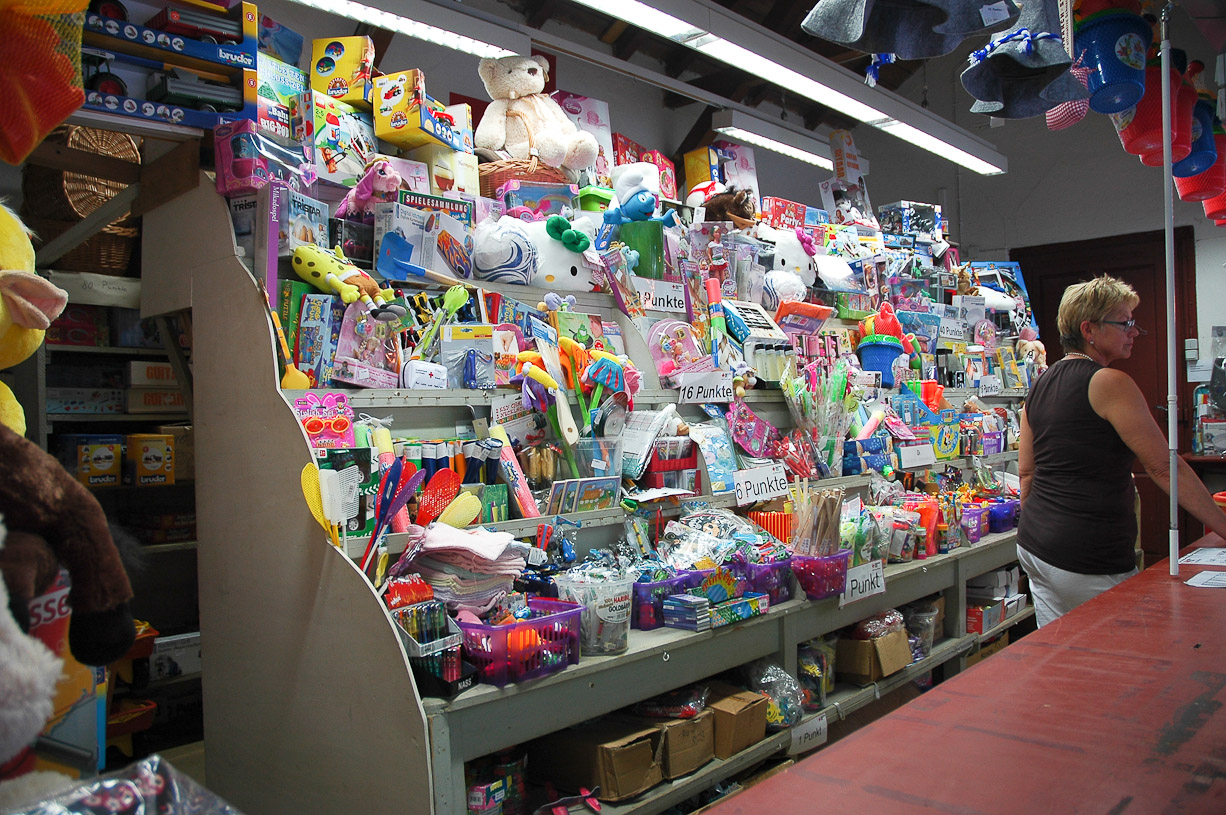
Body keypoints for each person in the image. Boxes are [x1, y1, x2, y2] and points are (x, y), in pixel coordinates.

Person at [1017, 275, 1226, 626]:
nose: (1134, 331)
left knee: (1061, 646)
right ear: (1089, 329)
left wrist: (1043, 526)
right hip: (1086, 555)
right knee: (1121, 644)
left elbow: (1027, 473)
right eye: (1124, 322)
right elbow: (1164, 467)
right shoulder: (1110, 382)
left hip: (1036, 546)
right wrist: (1223, 527)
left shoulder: (1040, 384)